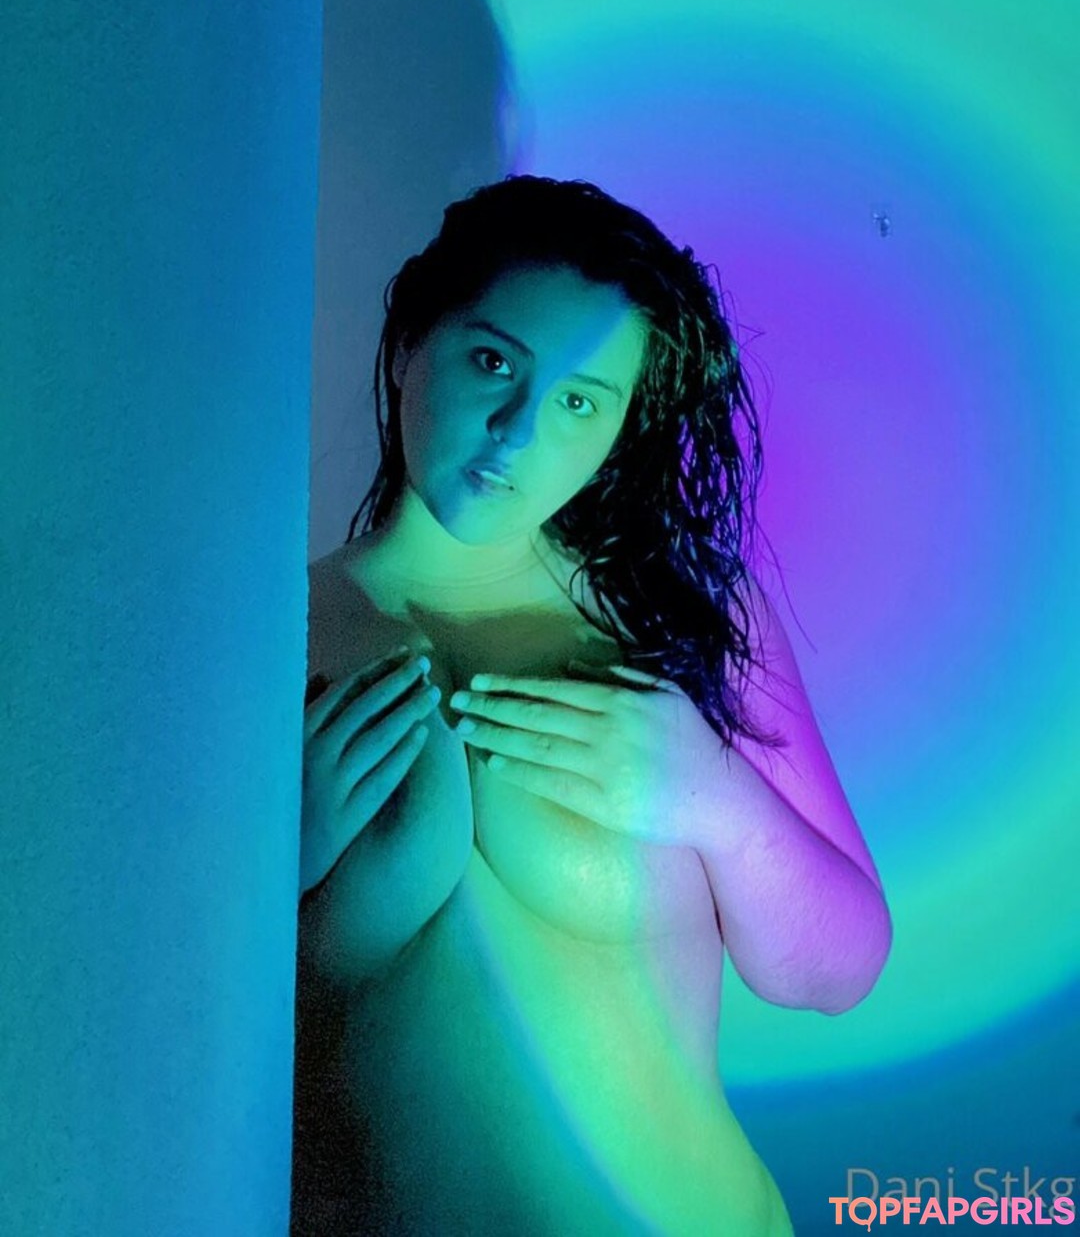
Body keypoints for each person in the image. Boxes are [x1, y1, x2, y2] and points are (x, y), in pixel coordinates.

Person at [292, 175, 891, 1235]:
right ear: (411, 343)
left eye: (580, 402)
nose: (518, 431)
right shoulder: (264, 637)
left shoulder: (683, 616)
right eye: (493, 362)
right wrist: (266, 868)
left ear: (619, 426)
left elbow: (835, 973)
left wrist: (714, 794)